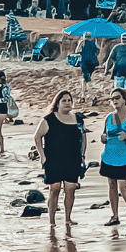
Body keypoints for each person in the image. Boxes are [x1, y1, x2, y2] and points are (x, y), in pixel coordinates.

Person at [34, 89, 87, 226]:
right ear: (57, 103)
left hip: (73, 159)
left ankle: (67, 218)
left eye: (69, 100)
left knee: (70, 190)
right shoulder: (49, 119)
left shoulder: (78, 119)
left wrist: (82, 156)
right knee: (55, 190)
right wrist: (42, 155)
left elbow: (83, 138)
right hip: (53, 159)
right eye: (64, 100)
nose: (67, 103)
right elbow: (37, 137)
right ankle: (52, 221)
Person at [99, 87, 126, 227]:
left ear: (125, 99)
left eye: (117, 98)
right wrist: (103, 138)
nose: (115, 101)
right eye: (112, 99)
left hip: (124, 156)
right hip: (108, 156)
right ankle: (115, 216)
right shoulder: (108, 117)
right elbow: (103, 136)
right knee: (111, 185)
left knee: (123, 186)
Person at [104, 32, 126, 105]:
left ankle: (124, 105)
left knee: (122, 89)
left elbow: (110, 59)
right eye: (123, 39)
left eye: (124, 39)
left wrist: (106, 69)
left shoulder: (118, 47)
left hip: (122, 71)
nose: (124, 40)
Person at [76, 31, 99, 103]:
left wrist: (80, 43)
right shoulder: (94, 42)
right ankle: (83, 96)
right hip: (92, 63)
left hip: (85, 63)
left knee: (87, 80)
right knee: (84, 79)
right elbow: (98, 50)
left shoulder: (83, 42)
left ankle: (93, 97)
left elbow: (76, 51)